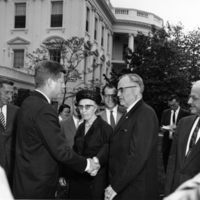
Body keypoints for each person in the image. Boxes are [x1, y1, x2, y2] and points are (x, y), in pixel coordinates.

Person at [12, 60, 99, 199]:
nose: (64, 86)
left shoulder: (28, 102)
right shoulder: (44, 109)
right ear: (50, 82)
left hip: (25, 182)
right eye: (62, 82)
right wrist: (88, 164)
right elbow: (60, 150)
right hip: (38, 187)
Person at [105, 73, 159, 200]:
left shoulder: (145, 113)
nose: (118, 95)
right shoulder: (129, 113)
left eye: (121, 90)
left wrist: (115, 186)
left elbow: (137, 156)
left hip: (135, 191)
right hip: (126, 187)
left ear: (136, 89)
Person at [69, 89, 113, 200]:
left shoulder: (105, 128)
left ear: (96, 107)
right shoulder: (80, 127)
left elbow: (109, 150)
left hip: (95, 182)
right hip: (77, 178)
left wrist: (96, 161)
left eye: (87, 107)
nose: (83, 111)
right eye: (80, 107)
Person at [164, 80, 200, 196]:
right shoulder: (183, 123)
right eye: (190, 97)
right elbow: (172, 164)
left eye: (194, 98)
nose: (189, 102)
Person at [161, 94, 190, 172]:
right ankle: (167, 176)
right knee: (166, 160)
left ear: (178, 102)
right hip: (167, 142)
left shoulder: (185, 113)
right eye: (170, 105)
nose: (171, 107)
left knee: (177, 161)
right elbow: (162, 124)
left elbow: (187, 129)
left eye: (173, 105)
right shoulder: (165, 112)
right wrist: (163, 128)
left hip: (178, 142)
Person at [0, 79, 19, 189]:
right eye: (6, 92)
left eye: (11, 93)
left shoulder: (17, 111)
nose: (10, 97)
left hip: (11, 167)